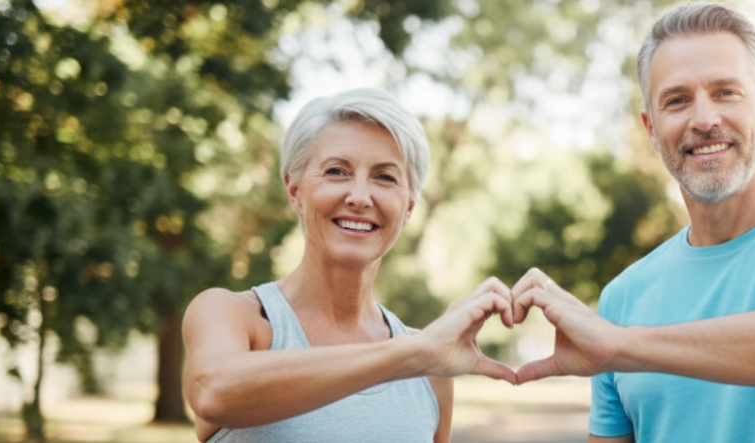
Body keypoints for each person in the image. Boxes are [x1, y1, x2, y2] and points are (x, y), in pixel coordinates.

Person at [508, 2, 755, 442]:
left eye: (726, 93)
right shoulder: (623, 298)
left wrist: (622, 346)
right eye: (677, 101)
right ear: (651, 128)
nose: (703, 120)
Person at [182, 88, 517, 443]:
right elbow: (211, 393)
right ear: (295, 191)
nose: (359, 197)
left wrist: (419, 353)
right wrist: (413, 353)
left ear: (408, 208)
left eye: (385, 177)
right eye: (336, 171)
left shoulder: (430, 369)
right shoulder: (234, 315)